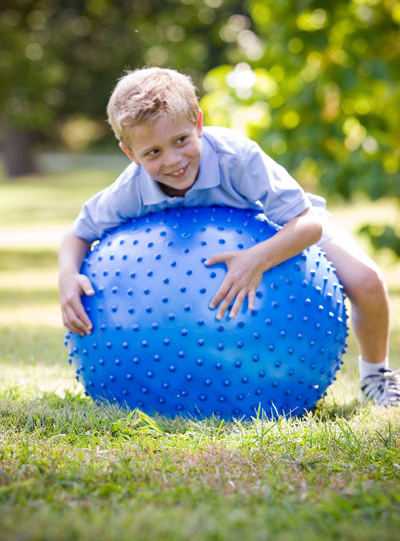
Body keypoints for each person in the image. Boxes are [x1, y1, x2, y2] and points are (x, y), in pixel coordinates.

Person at [58, 67, 400, 407]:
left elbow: (308, 225)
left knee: (367, 280)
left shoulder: (238, 157)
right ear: (130, 154)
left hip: (283, 226)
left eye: (181, 140)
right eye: (153, 153)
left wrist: (257, 259)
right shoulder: (130, 189)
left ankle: (375, 376)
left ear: (199, 124)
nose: (173, 160)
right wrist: (67, 277)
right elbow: (78, 233)